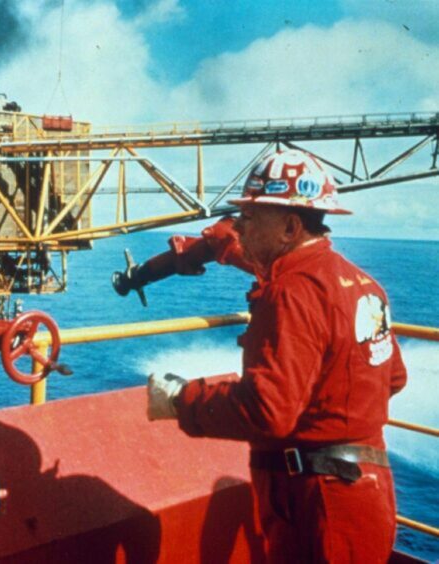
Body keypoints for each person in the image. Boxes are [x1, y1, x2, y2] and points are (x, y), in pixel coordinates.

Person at [144, 149, 408, 563]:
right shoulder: (363, 284)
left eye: (250, 217)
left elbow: (268, 410)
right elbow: (392, 378)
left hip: (317, 506)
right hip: (366, 491)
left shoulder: (290, 291)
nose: (239, 227)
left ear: (289, 226)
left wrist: (179, 400)